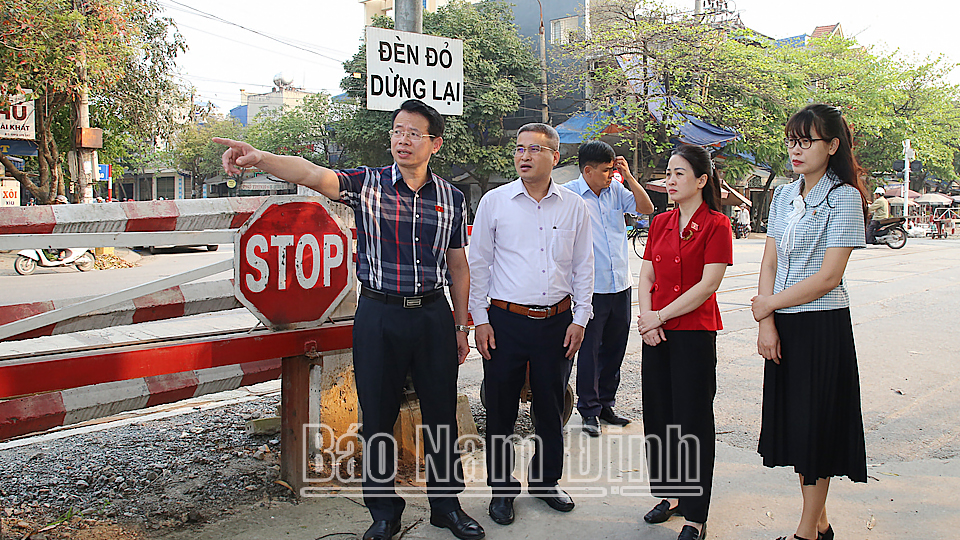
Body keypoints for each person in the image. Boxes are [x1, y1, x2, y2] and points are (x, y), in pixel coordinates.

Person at [215, 99, 483, 540]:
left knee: (441, 414)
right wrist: (259, 158)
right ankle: (384, 512)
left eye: (414, 133)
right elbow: (308, 172)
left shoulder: (452, 198)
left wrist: (460, 325)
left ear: (434, 144)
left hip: (433, 317)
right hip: (379, 314)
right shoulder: (368, 184)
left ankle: (446, 507)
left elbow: (458, 266)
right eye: (397, 130)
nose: (402, 139)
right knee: (377, 414)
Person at [468, 123, 594, 527]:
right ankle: (502, 490)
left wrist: (580, 318)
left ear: (555, 158)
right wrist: (481, 320)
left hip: (557, 324)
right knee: (501, 410)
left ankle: (545, 481)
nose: (524, 156)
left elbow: (583, 267)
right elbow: (479, 264)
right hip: (504, 321)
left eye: (534, 149)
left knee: (551, 407)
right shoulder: (495, 201)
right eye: (520, 148)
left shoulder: (574, 206)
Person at [752, 103, 868, 540]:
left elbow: (829, 277)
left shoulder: (844, 198)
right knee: (797, 427)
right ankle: (820, 524)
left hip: (822, 328)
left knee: (817, 427)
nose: (796, 150)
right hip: (783, 324)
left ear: (832, 145)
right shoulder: (783, 195)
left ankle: (806, 533)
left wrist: (768, 306)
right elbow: (770, 259)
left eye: (807, 141)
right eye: (792, 141)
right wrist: (767, 319)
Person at [635, 144, 732, 540]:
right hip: (656, 333)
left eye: (679, 174)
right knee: (658, 415)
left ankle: (695, 512)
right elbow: (645, 277)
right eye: (669, 173)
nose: (670, 181)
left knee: (691, 420)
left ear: (701, 180)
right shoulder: (659, 222)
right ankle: (669, 495)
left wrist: (659, 315)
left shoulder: (716, 225)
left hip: (692, 332)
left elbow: (709, 284)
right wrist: (647, 320)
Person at [564, 141, 654, 437]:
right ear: (588, 170)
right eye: (605, 171)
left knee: (615, 348)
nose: (610, 175)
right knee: (589, 350)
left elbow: (646, 208)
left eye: (612, 170)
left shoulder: (616, 189)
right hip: (590, 288)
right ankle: (588, 409)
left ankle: (605, 405)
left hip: (620, 284)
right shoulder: (570, 196)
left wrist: (627, 177)